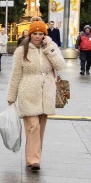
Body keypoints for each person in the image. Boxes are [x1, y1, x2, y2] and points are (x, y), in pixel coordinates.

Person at [7, 20, 65, 171]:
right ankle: (34, 160)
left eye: (41, 34)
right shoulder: (22, 51)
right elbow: (15, 74)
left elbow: (60, 66)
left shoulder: (51, 48)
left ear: (45, 35)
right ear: (30, 34)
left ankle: (33, 157)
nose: (38, 37)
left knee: (40, 128)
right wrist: (11, 96)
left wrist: (48, 49)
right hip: (28, 91)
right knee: (33, 126)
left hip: (46, 93)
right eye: (35, 34)